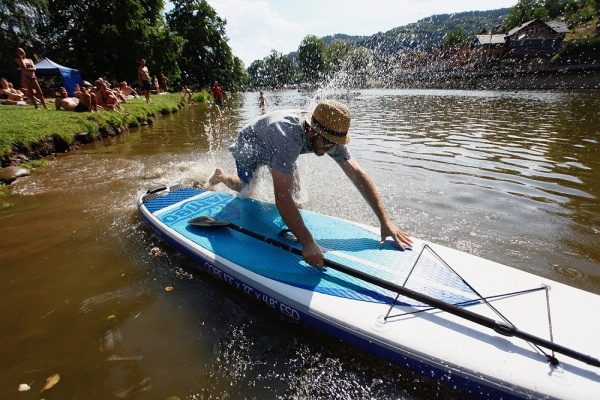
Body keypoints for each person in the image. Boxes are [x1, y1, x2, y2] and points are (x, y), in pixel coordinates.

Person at [208, 100, 413, 269]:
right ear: (313, 132)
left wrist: (384, 220)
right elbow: (281, 196)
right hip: (250, 145)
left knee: (296, 192)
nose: (332, 149)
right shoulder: (287, 138)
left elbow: (357, 174)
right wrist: (307, 242)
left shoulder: (329, 134)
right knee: (246, 189)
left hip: (279, 144)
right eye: (328, 144)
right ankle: (222, 176)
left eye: (335, 144)